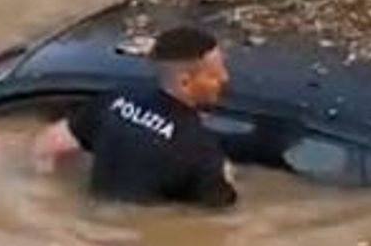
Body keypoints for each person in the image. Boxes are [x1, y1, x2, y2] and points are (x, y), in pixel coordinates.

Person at [31, 25, 238, 209]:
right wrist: (226, 176)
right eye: (214, 74)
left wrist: (46, 195)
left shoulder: (117, 100)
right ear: (185, 82)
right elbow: (220, 218)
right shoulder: (200, 149)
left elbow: (48, 144)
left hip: (96, 220)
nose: (225, 78)